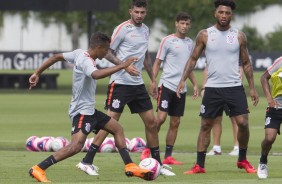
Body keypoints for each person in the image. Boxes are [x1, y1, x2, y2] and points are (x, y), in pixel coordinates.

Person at [28, 32, 154, 182]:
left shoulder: (78, 53)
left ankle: (130, 166)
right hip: (81, 112)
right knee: (75, 146)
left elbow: (56, 57)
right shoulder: (86, 60)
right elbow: (96, 75)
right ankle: (39, 168)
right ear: (99, 47)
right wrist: (122, 65)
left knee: (117, 129)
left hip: (89, 111)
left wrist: (37, 73)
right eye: (106, 49)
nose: (107, 52)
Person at [77, 0, 175, 176]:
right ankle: (86, 160)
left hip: (137, 85)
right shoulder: (122, 29)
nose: (139, 15)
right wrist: (124, 65)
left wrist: (152, 80)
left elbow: (145, 56)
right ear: (131, 11)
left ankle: (157, 164)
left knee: (151, 123)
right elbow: (107, 51)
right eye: (136, 12)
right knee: (110, 123)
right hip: (120, 84)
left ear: (146, 13)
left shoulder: (145, 30)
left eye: (142, 12)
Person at [176, 0, 259, 174]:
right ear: (215, 13)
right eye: (221, 12)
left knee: (243, 123)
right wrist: (183, 79)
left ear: (231, 15)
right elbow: (192, 59)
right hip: (212, 88)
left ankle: (242, 160)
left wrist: (252, 87)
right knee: (206, 125)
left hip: (234, 87)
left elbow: (246, 63)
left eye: (227, 13)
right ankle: (199, 165)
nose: (224, 16)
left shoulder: (239, 35)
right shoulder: (205, 34)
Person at [140, 12, 198, 165]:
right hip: (166, 86)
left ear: (189, 25)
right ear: (176, 24)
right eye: (182, 23)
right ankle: (147, 150)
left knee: (176, 122)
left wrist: (195, 84)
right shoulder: (167, 41)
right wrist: (153, 81)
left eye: (187, 24)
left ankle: (168, 156)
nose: (184, 26)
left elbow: (188, 67)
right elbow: (157, 62)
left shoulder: (190, 43)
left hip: (181, 89)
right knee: (160, 118)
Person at [205, 65, 243, 156]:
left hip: (231, 88)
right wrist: (204, 86)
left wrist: (238, 85)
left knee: (235, 119)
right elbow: (207, 68)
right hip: (215, 88)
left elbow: (240, 68)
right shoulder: (213, 53)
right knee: (216, 118)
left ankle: (237, 147)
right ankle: (216, 148)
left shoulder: (234, 52)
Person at [257, 56, 282, 179]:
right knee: (269, 138)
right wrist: (269, 99)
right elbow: (263, 78)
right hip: (277, 106)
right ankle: (263, 161)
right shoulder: (280, 61)